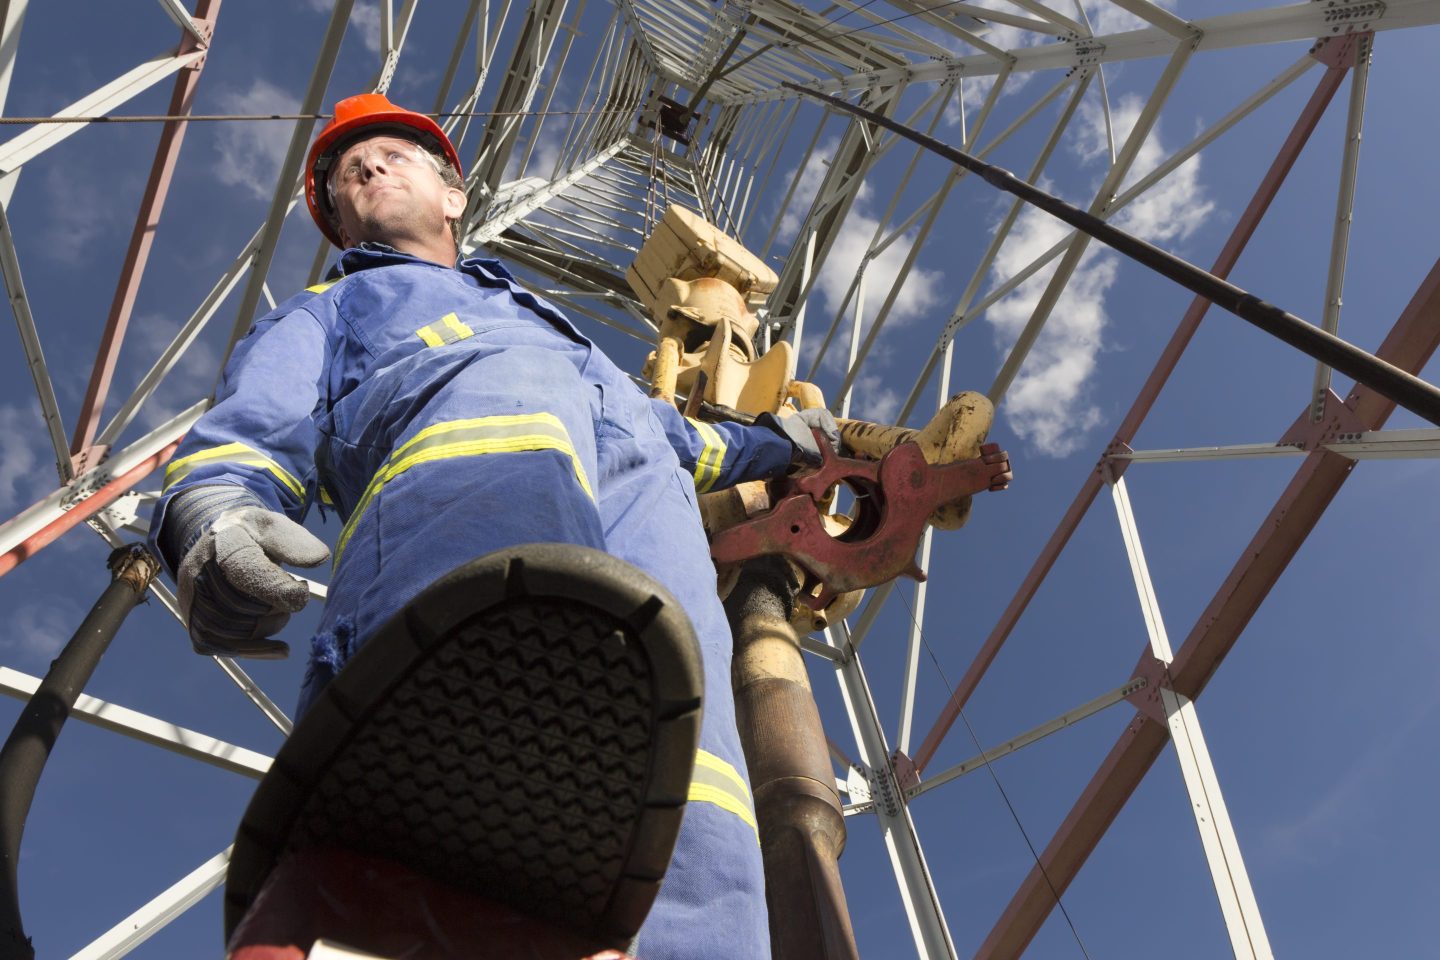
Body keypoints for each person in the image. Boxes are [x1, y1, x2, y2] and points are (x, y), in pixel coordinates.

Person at [150, 93, 835, 959]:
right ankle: (420, 873)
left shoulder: (567, 340)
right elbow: (254, 423)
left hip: (640, 486)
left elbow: (682, 442)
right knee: (509, 443)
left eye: (390, 155)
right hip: (461, 539)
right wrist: (216, 512)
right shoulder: (330, 311)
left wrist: (776, 442)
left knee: (688, 736)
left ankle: (689, 935)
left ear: (453, 195)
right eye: (341, 174)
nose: (361, 168)